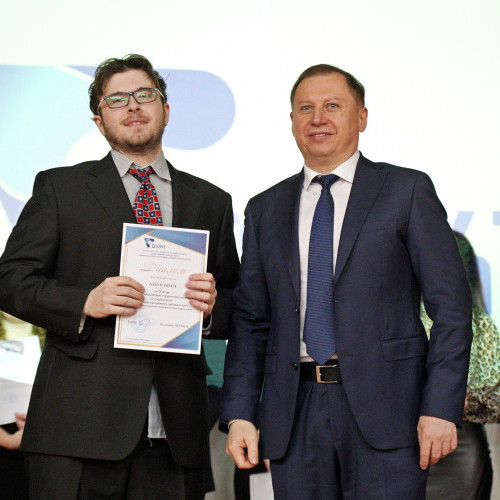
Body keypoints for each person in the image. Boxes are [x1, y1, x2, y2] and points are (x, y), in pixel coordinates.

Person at [220, 64, 473, 499]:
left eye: (332, 106)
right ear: (292, 121)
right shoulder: (264, 208)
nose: (317, 118)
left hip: (390, 412)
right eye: (306, 108)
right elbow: (251, 320)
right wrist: (241, 412)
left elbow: (451, 307)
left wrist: (440, 407)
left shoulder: (406, 190)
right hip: (294, 413)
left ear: (362, 117)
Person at [0, 54, 239, 500]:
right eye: (116, 99)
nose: (132, 105)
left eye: (145, 94)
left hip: (174, 434)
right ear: (99, 121)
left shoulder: (211, 200)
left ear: (166, 109)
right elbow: (10, 279)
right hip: (78, 429)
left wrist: (209, 311)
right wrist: (84, 302)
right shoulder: (61, 189)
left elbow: (233, 301)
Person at [423, 231, 500, 499]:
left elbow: (497, 398)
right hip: (401, 450)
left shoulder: (481, 326)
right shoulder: (397, 322)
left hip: (461, 450)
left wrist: (463, 399)